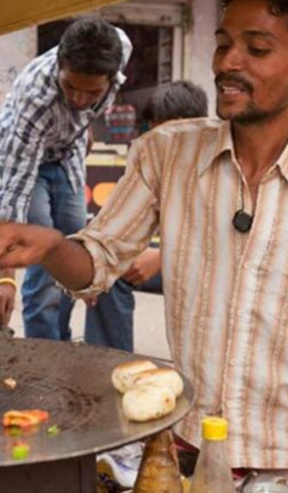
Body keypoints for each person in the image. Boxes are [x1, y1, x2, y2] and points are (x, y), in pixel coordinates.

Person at [0, 0, 288, 488]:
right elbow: (98, 262)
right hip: (180, 451)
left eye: (257, 48)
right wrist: (49, 245)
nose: (227, 62)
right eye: (223, 43)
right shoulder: (168, 154)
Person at [0, 18, 133, 341]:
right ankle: (42, 354)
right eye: (70, 87)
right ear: (59, 66)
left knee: (74, 254)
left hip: (67, 154)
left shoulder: (122, 46)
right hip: (24, 162)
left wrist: (83, 126)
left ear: (112, 77)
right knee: (43, 263)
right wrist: (4, 279)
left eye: (92, 92)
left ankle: (59, 342)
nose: (78, 99)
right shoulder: (36, 99)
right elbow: (15, 197)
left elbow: (83, 104)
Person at [84, 80, 209, 352]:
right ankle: (110, 364)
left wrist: (164, 257)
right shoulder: (152, 164)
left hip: (208, 268)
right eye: (155, 133)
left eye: (171, 134)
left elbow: (226, 243)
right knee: (111, 275)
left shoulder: (219, 165)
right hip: (168, 255)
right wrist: (100, 263)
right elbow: (121, 225)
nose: (161, 144)